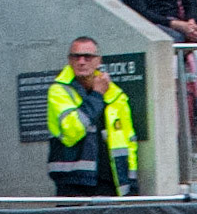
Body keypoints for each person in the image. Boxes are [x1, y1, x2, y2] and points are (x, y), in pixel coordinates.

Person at [47, 36, 136, 198]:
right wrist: (96, 95)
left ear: (98, 61)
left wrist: (132, 180)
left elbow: (129, 141)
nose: (82, 61)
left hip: (111, 183)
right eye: (76, 57)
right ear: (69, 60)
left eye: (88, 57)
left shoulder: (116, 94)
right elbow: (72, 132)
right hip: (73, 183)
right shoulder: (59, 91)